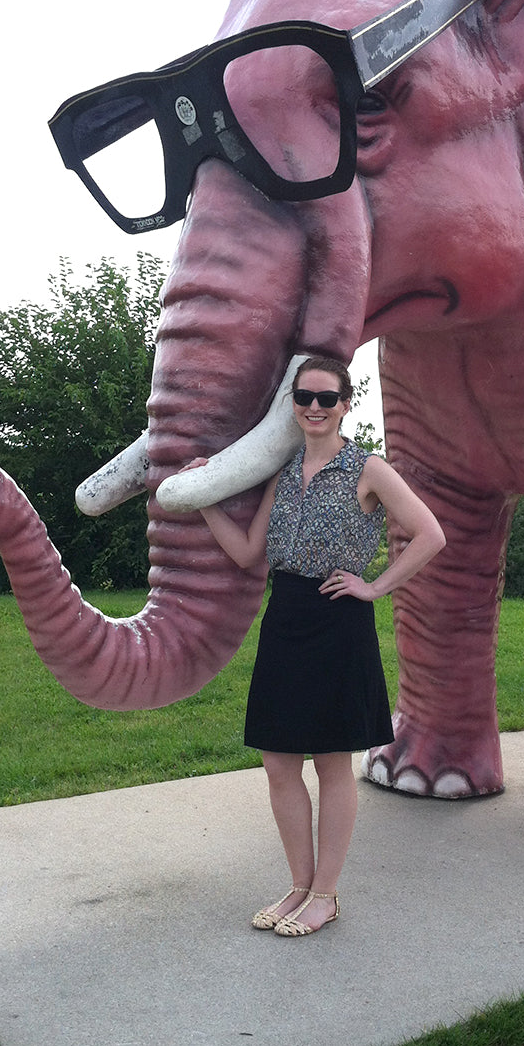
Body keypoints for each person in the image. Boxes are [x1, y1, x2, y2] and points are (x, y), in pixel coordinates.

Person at [182, 355, 445, 937]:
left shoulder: (368, 468)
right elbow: (251, 554)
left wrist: (375, 585)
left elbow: (430, 534)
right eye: (306, 397)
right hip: (285, 619)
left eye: (328, 398)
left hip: (338, 623)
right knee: (279, 762)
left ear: (347, 403)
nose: (316, 407)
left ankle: (325, 894)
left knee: (331, 763)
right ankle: (298, 886)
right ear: (294, 404)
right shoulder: (283, 471)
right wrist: (203, 498)